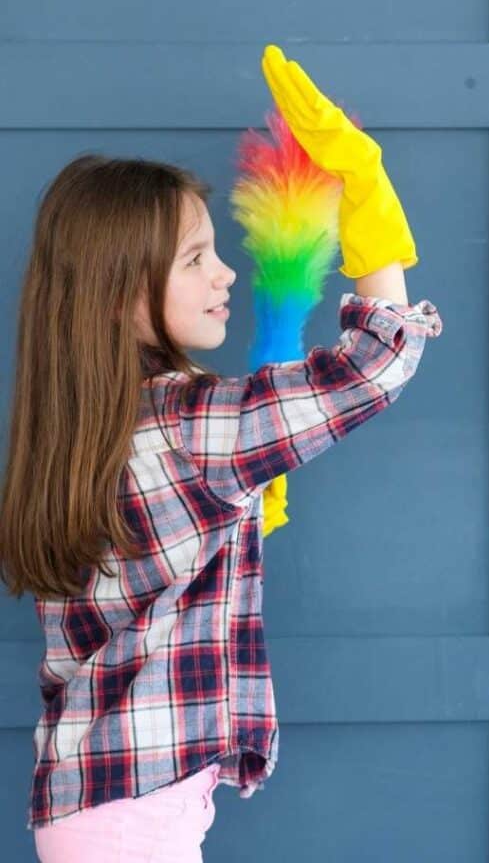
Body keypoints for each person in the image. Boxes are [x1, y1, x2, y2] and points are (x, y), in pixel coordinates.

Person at [0, 46, 441, 861]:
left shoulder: (88, 428)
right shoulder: (184, 424)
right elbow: (377, 363)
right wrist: (370, 199)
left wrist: (231, 520)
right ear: (123, 294)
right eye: (196, 258)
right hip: (134, 817)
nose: (226, 274)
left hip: (92, 802)